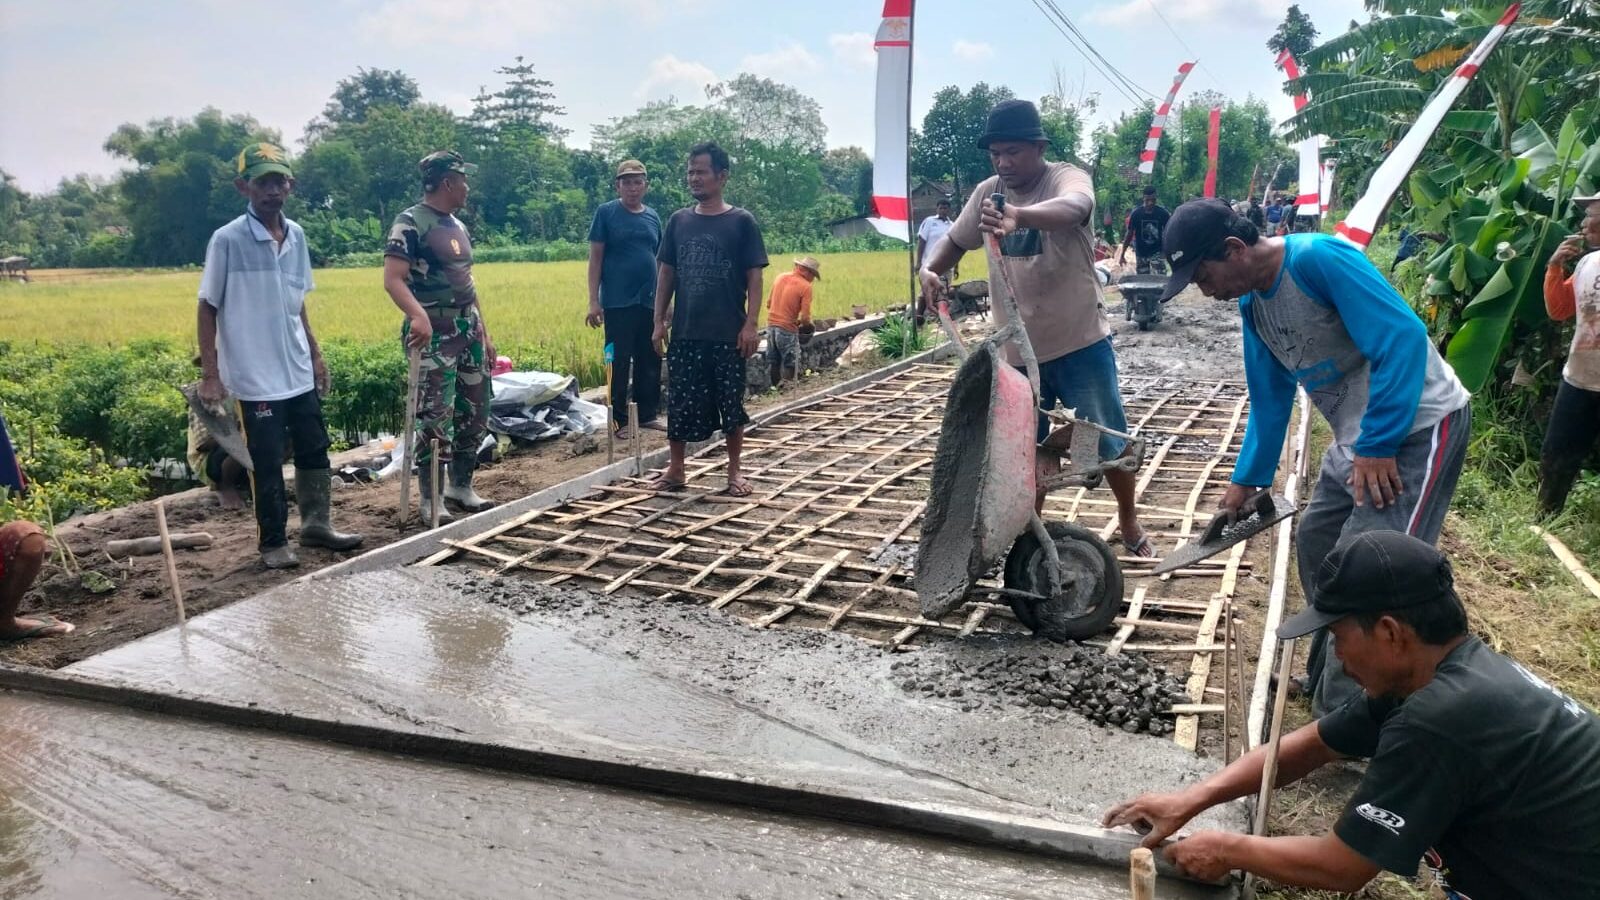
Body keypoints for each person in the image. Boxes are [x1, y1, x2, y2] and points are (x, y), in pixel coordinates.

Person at [1105, 531, 1600, 898]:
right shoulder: (1444, 675)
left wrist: (1227, 849)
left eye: (1339, 638)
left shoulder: (1439, 719)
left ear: (1389, 632)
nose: (1338, 658)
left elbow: (1341, 866)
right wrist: (1193, 798)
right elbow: (1314, 746)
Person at [1158, 199, 1471, 715]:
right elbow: (1270, 396)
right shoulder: (1252, 306)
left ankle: (1357, 714)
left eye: (1203, 276)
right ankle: (1337, 669)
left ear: (1234, 250)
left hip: (1416, 427)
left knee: (1373, 569)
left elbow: (1403, 338)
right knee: (1319, 540)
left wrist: (1378, 444)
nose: (1204, 290)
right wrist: (1249, 478)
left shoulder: (1318, 259)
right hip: (1361, 435)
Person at [919, 99, 1154, 557]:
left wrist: (1020, 216)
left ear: (1039, 147)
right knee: (1025, 449)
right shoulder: (987, 192)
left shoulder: (1065, 177)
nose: (1004, 163)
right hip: (1017, 356)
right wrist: (932, 271)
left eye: (1013, 152)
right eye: (996, 154)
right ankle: (1032, 536)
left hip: (1080, 341)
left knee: (1110, 438)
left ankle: (1128, 519)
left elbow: (1075, 206)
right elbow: (952, 242)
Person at [198, 143, 363, 569]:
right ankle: (273, 542)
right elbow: (207, 306)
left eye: (279, 181)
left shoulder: (297, 236)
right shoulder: (228, 240)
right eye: (262, 182)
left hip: (296, 367)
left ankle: (316, 525)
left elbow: (297, 301)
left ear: (290, 185)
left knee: (314, 448)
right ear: (244, 187)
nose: (272, 190)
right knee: (266, 460)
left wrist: (315, 353)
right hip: (255, 375)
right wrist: (211, 375)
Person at [383, 150, 498, 525]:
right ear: (448, 182)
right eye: (463, 180)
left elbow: (467, 281)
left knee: (476, 410)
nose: (467, 187)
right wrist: (417, 315)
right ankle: (431, 499)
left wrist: (486, 331)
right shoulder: (410, 223)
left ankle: (460, 485)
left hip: (469, 327)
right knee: (435, 418)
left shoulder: (458, 226)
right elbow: (393, 279)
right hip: (433, 332)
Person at [651, 141, 769, 496]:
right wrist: (658, 321)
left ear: (722, 176)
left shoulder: (741, 222)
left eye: (701, 171)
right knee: (680, 403)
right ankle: (676, 469)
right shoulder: (678, 221)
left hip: (728, 333)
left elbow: (755, 276)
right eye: (690, 172)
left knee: (731, 405)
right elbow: (667, 273)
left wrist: (750, 324)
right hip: (687, 332)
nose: (694, 178)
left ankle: (734, 472)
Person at [586, 159, 664, 440]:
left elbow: (660, 261)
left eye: (638, 181)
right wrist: (593, 301)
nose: (632, 187)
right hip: (617, 302)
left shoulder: (653, 217)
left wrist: (665, 305)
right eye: (627, 182)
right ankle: (618, 421)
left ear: (646, 185)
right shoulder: (606, 213)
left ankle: (648, 415)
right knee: (616, 361)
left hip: (649, 301)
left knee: (650, 358)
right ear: (618, 185)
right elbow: (595, 259)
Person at [1539, 191, 1600, 516]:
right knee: (1557, 452)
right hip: (1578, 378)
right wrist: (1555, 266)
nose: (1583, 221)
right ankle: (1545, 520)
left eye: (1590, 214)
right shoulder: (1588, 263)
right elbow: (1559, 310)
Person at [765, 256, 820, 388]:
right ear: (807, 272)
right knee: (791, 361)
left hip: (771, 326)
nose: (812, 279)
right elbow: (806, 318)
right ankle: (788, 390)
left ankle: (775, 389)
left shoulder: (780, 277)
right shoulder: (805, 286)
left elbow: (769, 304)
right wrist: (805, 324)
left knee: (774, 360)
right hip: (787, 328)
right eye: (813, 275)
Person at [916, 198, 957, 322]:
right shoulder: (929, 222)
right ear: (937, 209)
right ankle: (919, 316)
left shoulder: (953, 225)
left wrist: (957, 266)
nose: (943, 210)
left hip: (947, 264)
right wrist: (919, 262)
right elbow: (922, 241)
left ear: (949, 210)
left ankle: (942, 317)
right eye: (941, 208)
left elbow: (956, 246)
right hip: (930, 264)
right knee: (926, 290)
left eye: (945, 208)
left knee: (943, 290)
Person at [1119, 185, 1170, 274]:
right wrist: (1122, 254)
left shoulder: (1163, 214)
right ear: (1143, 198)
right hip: (1141, 252)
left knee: (1160, 279)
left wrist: (1169, 252)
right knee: (1142, 280)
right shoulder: (1136, 214)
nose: (1150, 203)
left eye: (1153, 200)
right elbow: (1129, 234)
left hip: (1157, 251)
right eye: (1147, 200)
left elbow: (1169, 233)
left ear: (1156, 198)